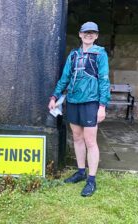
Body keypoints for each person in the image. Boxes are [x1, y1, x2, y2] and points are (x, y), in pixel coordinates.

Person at [48, 21, 110, 197]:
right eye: (85, 33)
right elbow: (65, 77)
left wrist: (102, 106)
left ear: (96, 36)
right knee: (76, 137)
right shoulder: (73, 55)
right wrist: (54, 96)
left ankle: (91, 179)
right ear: (80, 35)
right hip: (73, 101)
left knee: (91, 141)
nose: (89, 35)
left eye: (92, 33)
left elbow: (104, 80)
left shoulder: (100, 54)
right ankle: (81, 171)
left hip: (91, 101)